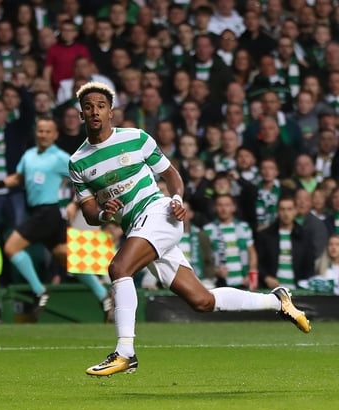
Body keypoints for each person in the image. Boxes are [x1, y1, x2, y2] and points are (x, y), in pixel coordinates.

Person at [69, 81, 310, 377]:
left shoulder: (136, 138)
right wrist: (104, 214)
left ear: (111, 113)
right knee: (202, 301)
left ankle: (125, 352)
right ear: (81, 114)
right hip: (137, 227)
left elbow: (171, 175)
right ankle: (277, 300)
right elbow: (90, 213)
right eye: (88, 107)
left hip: (159, 213)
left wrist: (177, 199)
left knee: (119, 268)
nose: (95, 111)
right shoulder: (78, 162)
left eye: (101, 106)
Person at [0, 116, 113, 319]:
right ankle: (104, 296)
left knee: (10, 248)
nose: (43, 135)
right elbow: (18, 178)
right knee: (68, 259)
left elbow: (84, 179)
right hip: (43, 214)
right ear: (36, 132)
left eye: (48, 131)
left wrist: (74, 204)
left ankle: (39, 291)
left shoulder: (59, 157)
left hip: (47, 212)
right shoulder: (29, 155)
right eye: (40, 131)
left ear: (55, 134)